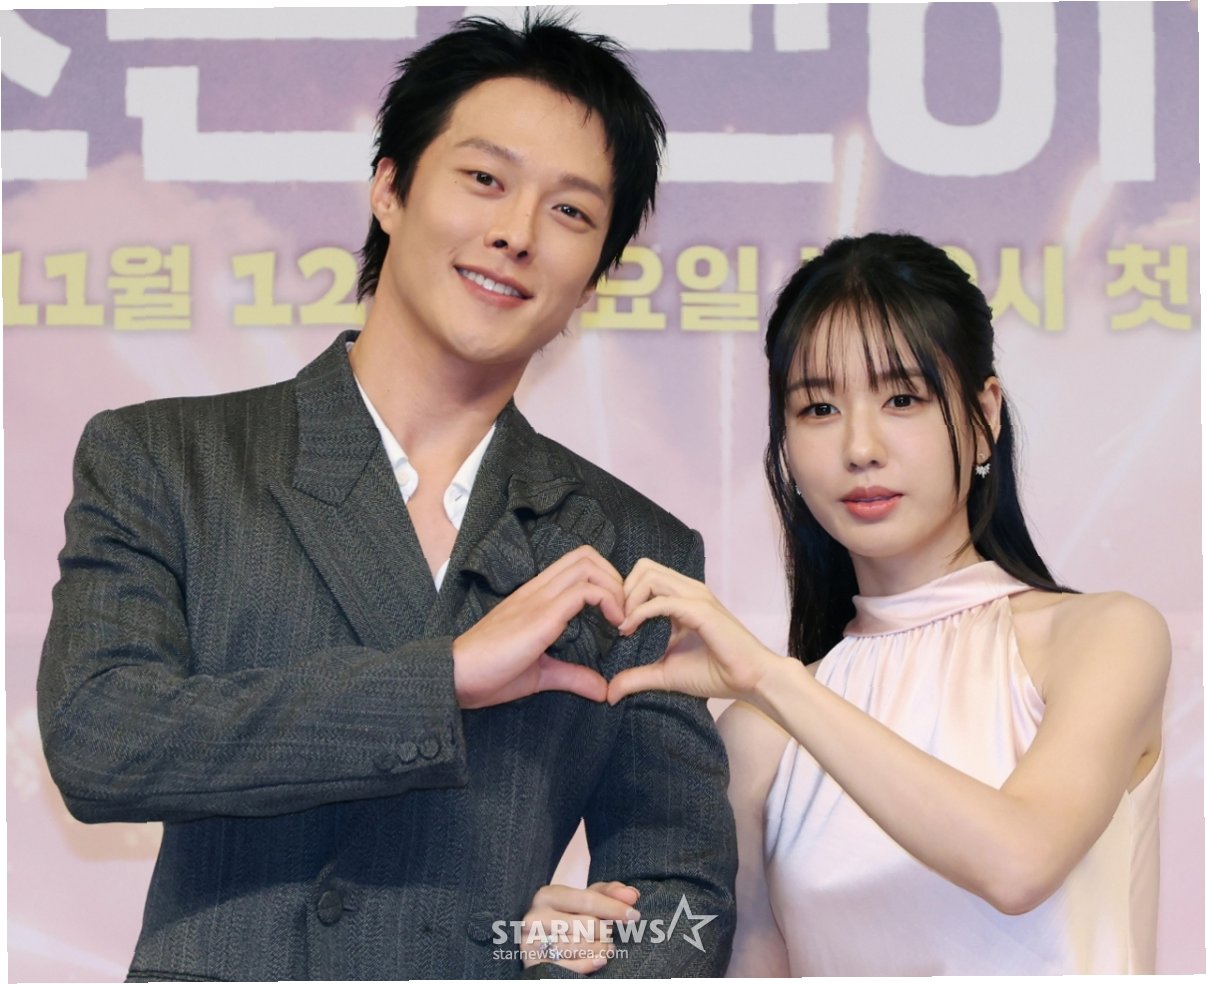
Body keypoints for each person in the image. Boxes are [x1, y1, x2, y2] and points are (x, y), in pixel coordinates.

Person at [37, 14, 735, 981]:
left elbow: (685, 905)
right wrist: (442, 678)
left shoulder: (628, 546)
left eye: (571, 213)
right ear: (390, 188)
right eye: (484, 178)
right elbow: (101, 739)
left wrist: (571, 959)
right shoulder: (171, 459)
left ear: (596, 278)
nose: (516, 233)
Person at [608, 232, 1169, 974]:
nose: (860, 447)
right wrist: (550, 941)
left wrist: (772, 679)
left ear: (984, 416)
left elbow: (1019, 863)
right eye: (817, 408)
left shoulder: (1104, 637)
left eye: (903, 398)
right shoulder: (759, 738)